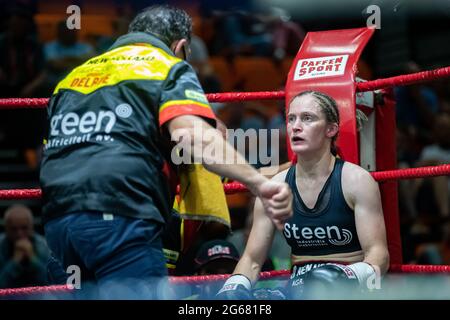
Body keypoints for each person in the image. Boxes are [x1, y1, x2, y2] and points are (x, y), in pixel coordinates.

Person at [40, 5, 292, 299]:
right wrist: (258, 183)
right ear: (181, 47)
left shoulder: (74, 75)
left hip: (58, 224)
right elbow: (192, 135)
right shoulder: (165, 65)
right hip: (120, 215)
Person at [217, 90, 390, 299]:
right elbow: (252, 259)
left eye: (307, 118)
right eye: (291, 119)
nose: (295, 126)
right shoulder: (275, 187)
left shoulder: (356, 181)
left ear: (331, 129)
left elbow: (379, 257)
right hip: (297, 291)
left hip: (350, 290)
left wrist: (346, 275)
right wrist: (235, 285)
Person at [0, 205, 51, 288]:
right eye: (14, 229)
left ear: (31, 227)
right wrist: (15, 262)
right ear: (6, 228)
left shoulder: (44, 245)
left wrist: (33, 259)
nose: (19, 234)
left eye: (24, 228)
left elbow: (51, 282)